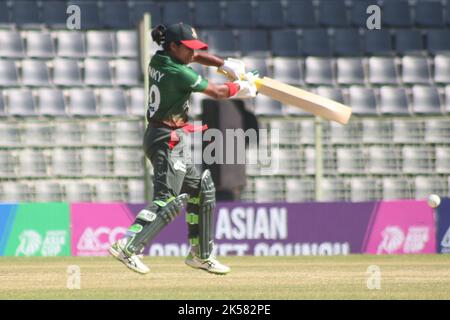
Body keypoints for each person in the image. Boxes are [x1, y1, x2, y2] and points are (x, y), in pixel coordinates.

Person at [109, 22, 257, 275]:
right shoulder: (180, 73)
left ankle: (201, 254)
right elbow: (217, 92)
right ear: (174, 46)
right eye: (187, 48)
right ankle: (128, 246)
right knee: (167, 200)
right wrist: (240, 88)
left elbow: (196, 56)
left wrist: (223, 64)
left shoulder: (160, 59)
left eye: (194, 48)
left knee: (202, 188)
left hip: (167, 135)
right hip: (166, 139)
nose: (192, 53)